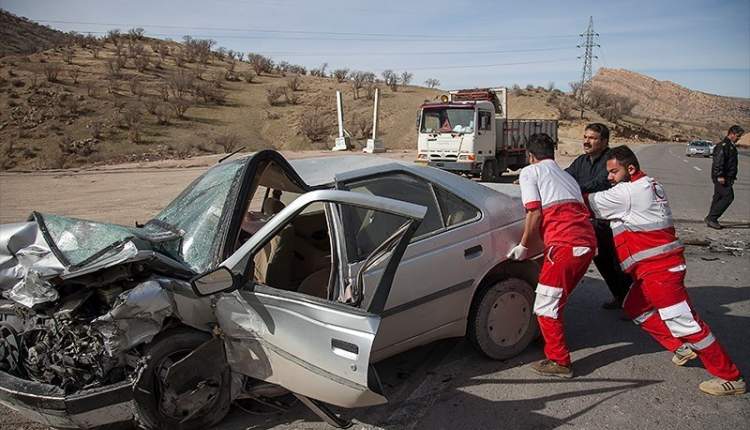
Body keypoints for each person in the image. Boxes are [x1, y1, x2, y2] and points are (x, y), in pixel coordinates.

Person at [587, 145, 744, 396]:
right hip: (656, 268)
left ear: (630, 169)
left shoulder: (628, 192)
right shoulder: (650, 183)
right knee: (635, 307)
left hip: (659, 271)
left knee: (687, 324)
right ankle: (681, 348)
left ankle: (729, 376)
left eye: (613, 172)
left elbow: (587, 201)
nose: (609, 177)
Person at [507, 133, 596, 378]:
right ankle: (549, 340)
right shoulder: (567, 177)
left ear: (530, 155)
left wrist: (524, 246)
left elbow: (534, 213)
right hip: (586, 245)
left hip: (564, 247)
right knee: (557, 299)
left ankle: (559, 361)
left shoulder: (530, 172)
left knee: (546, 304)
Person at [565, 123, 632, 310]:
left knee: (619, 263)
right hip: (592, 221)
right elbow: (566, 176)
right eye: (586, 137)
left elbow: (598, 183)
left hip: (611, 222)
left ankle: (636, 303)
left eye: (592, 138)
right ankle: (621, 297)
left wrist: (573, 188)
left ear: (604, 141)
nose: (587, 141)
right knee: (603, 262)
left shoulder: (611, 161)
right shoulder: (581, 161)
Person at [706, 125, 743, 229]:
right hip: (722, 178)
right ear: (731, 134)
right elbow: (718, 161)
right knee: (728, 197)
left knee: (718, 198)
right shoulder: (723, 145)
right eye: (738, 136)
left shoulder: (730, 145)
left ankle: (710, 218)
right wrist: (720, 175)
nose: (739, 138)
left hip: (727, 177)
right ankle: (712, 218)